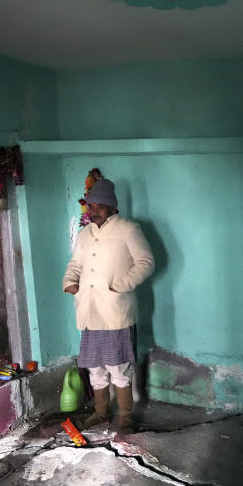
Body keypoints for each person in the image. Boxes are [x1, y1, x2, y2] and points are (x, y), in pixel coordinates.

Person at [62, 179, 154, 433]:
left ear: (113, 207)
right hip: (89, 312)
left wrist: (121, 284)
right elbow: (75, 265)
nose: (95, 211)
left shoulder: (128, 229)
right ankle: (100, 413)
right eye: (91, 206)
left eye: (100, 206)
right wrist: (70, 281)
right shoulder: (85, 234)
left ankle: (125, 417)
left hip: (115, 312)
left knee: (118, 367)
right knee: (94, 367)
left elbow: (146, 262)